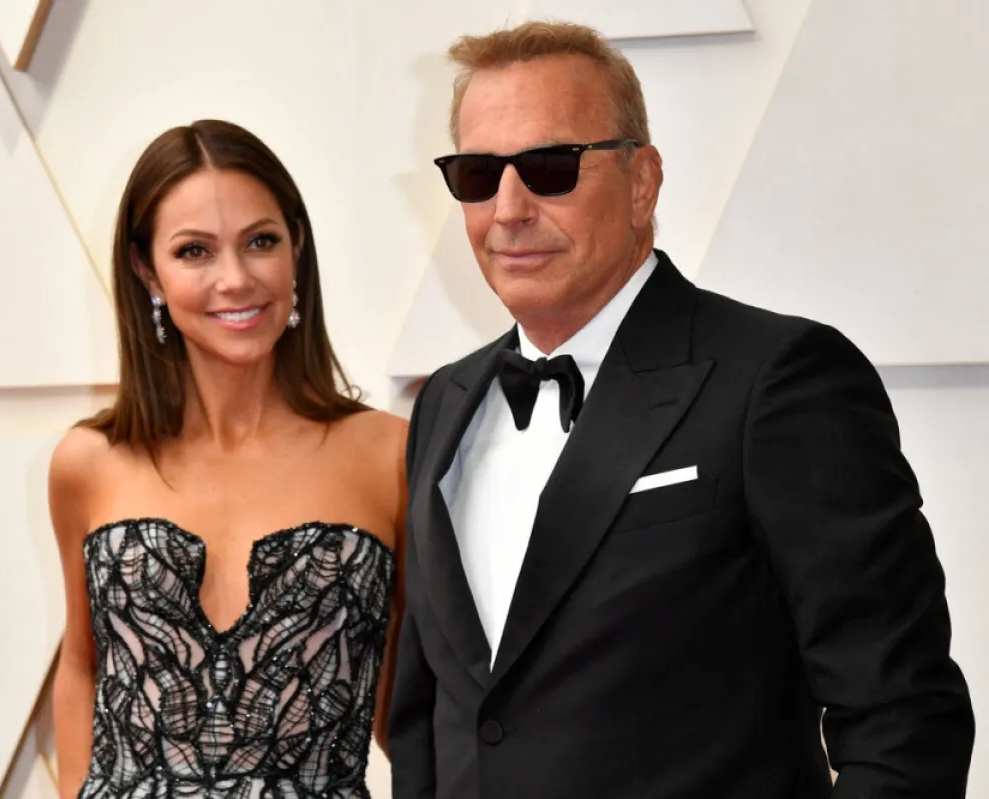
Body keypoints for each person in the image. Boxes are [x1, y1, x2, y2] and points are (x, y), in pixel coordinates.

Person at [388, 20, 974, 798]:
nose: (509, 207)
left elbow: (903, 717)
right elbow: (434, 722)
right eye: (476, 172)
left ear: (642, 181)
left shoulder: (777, 379)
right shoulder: (447, 404)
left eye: (550, 166)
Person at [47, 120, 407, 799]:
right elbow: (81, 664)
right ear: (145, 268)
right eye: (194, 252)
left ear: (296, 246)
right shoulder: (87, 463)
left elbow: (415, 706)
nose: (235, 279)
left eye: (261, 242)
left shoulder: (388, 454)